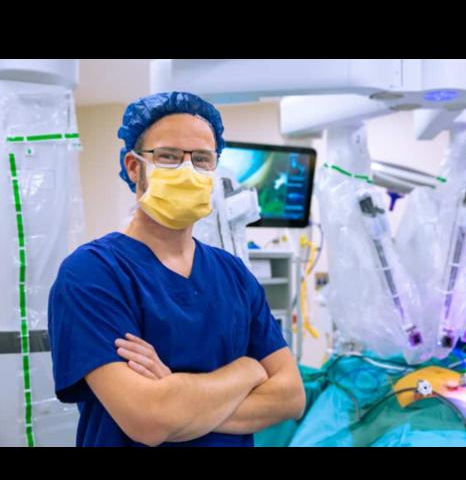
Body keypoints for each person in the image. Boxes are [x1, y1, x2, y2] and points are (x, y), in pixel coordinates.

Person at [49, 92, 306, 447]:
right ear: (134, 166)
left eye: (201, 159)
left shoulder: (233, 274)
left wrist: (176, 397)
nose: (188, 170)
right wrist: (246, 370)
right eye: (168, 156)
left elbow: (291, 396)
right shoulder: (93, 273)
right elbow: (150, 420)